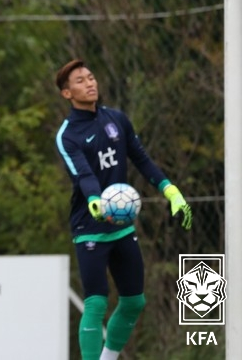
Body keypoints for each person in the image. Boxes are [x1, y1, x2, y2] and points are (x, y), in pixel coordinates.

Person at [54, 59, 192, 360]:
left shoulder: (116, 119)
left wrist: (170, 191)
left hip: (121, 225)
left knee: (134, 301)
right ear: (67, 93)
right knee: (96, 303)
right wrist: (94, 200)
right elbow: (84, 175)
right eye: (80, 80)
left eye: (91, 77)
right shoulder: (67, 135)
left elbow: (141, 159)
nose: (90, 83)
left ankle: (108, 358)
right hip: (89, 227)